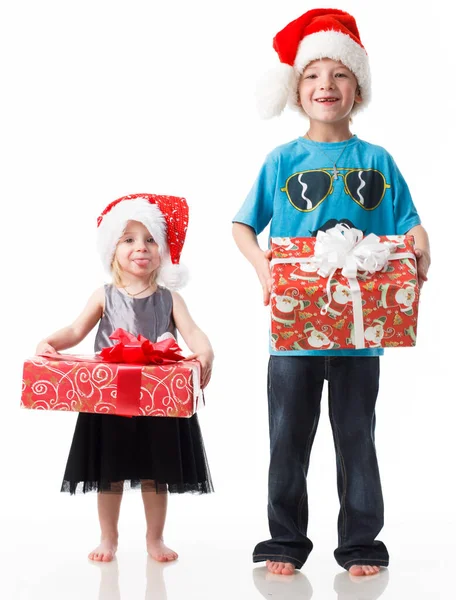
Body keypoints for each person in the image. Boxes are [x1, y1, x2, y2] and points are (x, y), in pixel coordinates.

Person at [232, 9, 430, 577]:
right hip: (293, 332)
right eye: (314, 74)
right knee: (287, 441)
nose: (326, 85)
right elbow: (243, 225)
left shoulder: (378, 161)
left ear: (358, 88)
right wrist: (263, 270)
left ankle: (362, 544)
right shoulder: (283, 161)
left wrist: (422, 245)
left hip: (361, 332)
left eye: (340, 74)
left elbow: (409, 224)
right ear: (297, 90)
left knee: (357, 440)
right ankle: (284, 543)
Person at [36, 193, 214, 563]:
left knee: (157, 475)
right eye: (129, 239)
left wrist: (205, 350)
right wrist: (49, 341)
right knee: (109, 473)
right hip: (109, 401)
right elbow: (74, 330)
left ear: (163, 251)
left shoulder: (170, 299)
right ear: (113, 249)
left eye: (150, 240)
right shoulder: (103, 296)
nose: (141, 248)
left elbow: (193, 333)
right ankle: (108, 537)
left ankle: (155, 538)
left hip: (158, 402)